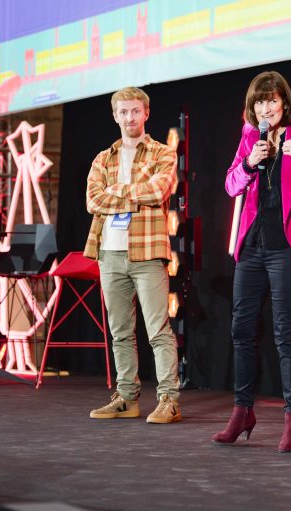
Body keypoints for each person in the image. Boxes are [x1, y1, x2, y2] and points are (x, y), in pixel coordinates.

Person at [214, 71, 291, 452]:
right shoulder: (250, 138)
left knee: (285, 333)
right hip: (252, 245)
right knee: (241, 330)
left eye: (272, 101)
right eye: (259, 103)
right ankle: (242, 411)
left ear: (285, 103)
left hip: (287, 246)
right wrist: (250, 163)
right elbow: (231, 185)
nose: (266, 108)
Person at [85, 86, 182, 424]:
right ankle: (127, 398)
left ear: (146, 113)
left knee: (158, 329)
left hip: (147, 251)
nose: (129, 117)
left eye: (135, 111)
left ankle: (169, 398)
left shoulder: (162, 153)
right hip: (109, 252)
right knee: (120, 331)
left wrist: (117, 192)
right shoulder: (103, 158)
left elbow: (158, 191)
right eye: (123, 112)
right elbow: (92, 201)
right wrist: (132, 195)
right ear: (115, 116)